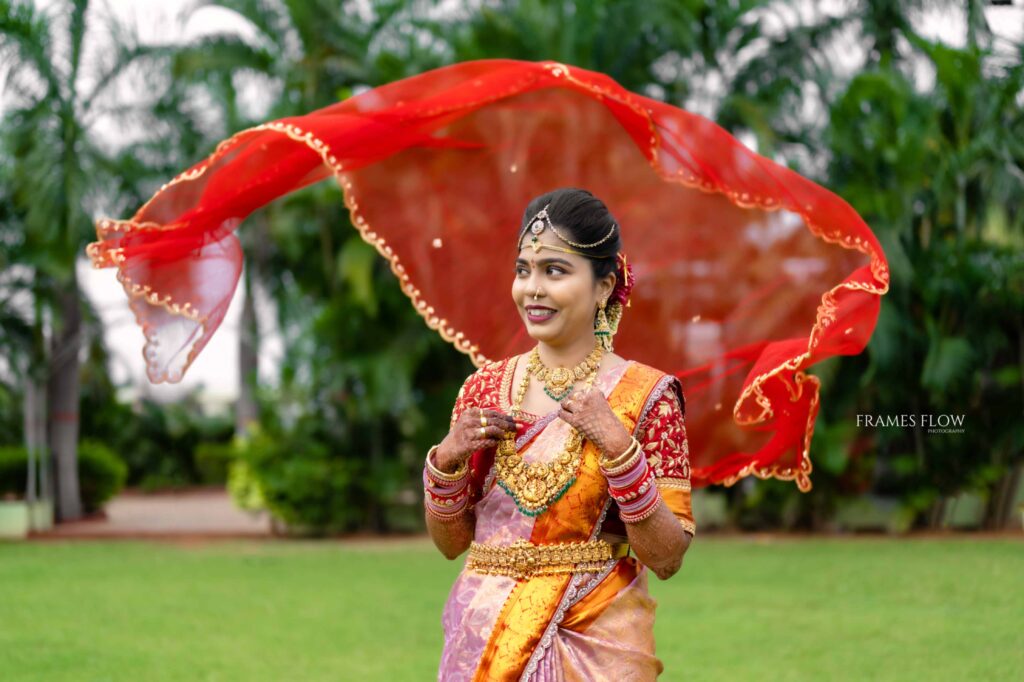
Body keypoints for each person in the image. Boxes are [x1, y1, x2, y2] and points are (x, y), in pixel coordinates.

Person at [423, 188, 694, 680]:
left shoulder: (644, 396)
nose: (533, 289)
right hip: (482, 639)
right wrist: (445, 462)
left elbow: (668, 556)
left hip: (593, 644)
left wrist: (618, 447)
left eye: (555, 270)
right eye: (523, 269)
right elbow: (450, 544)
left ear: (604, 286)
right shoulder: (485, 389)